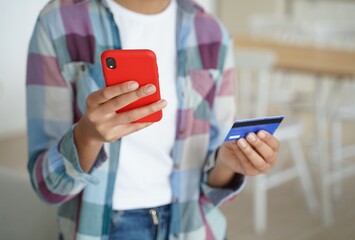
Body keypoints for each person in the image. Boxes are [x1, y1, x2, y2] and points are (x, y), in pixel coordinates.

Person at [26, 0, 280, 239]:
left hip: (194, 227)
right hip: (105, 227)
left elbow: (214, 176)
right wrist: (87, 137)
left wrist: (228, 163)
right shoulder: (58, 21)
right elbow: (48, 186)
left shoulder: (212, 32)